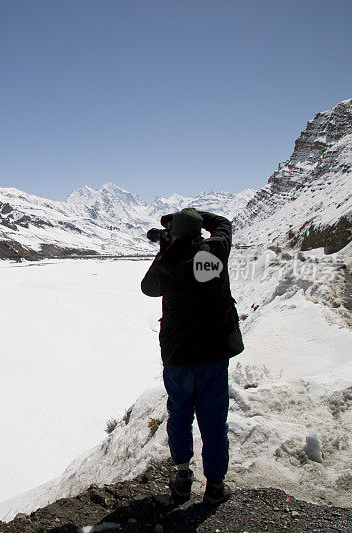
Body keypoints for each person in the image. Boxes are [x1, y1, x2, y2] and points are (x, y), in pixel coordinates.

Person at [141, 208, 242, 505]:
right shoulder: (214, 253)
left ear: (176, 235)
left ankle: (183, 475)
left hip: (178, 356)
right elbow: (223, 225)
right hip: (212, 353)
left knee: (180, 415)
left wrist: (165, 250)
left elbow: (148, 288)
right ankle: (215, 486)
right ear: (199, 232)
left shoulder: (167, 263)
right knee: (213, 420)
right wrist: (195, 215)